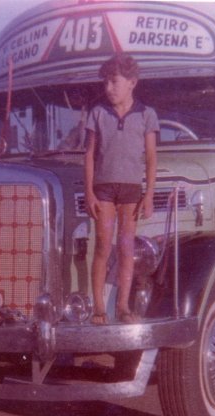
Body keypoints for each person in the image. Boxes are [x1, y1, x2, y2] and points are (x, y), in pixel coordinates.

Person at [84, 53, 159, 324]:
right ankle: (98, 309)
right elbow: (90, 155)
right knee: (103, 247)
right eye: (105, 82)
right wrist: (89, 192)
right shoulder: (98, 113)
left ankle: (124, 308)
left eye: (114, 82)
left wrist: (148, 195)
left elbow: (151, 158)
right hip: (103, 189)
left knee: (126, 249)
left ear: (132, 82)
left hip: (131, 191)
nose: (108, 88)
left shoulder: (147, 115)